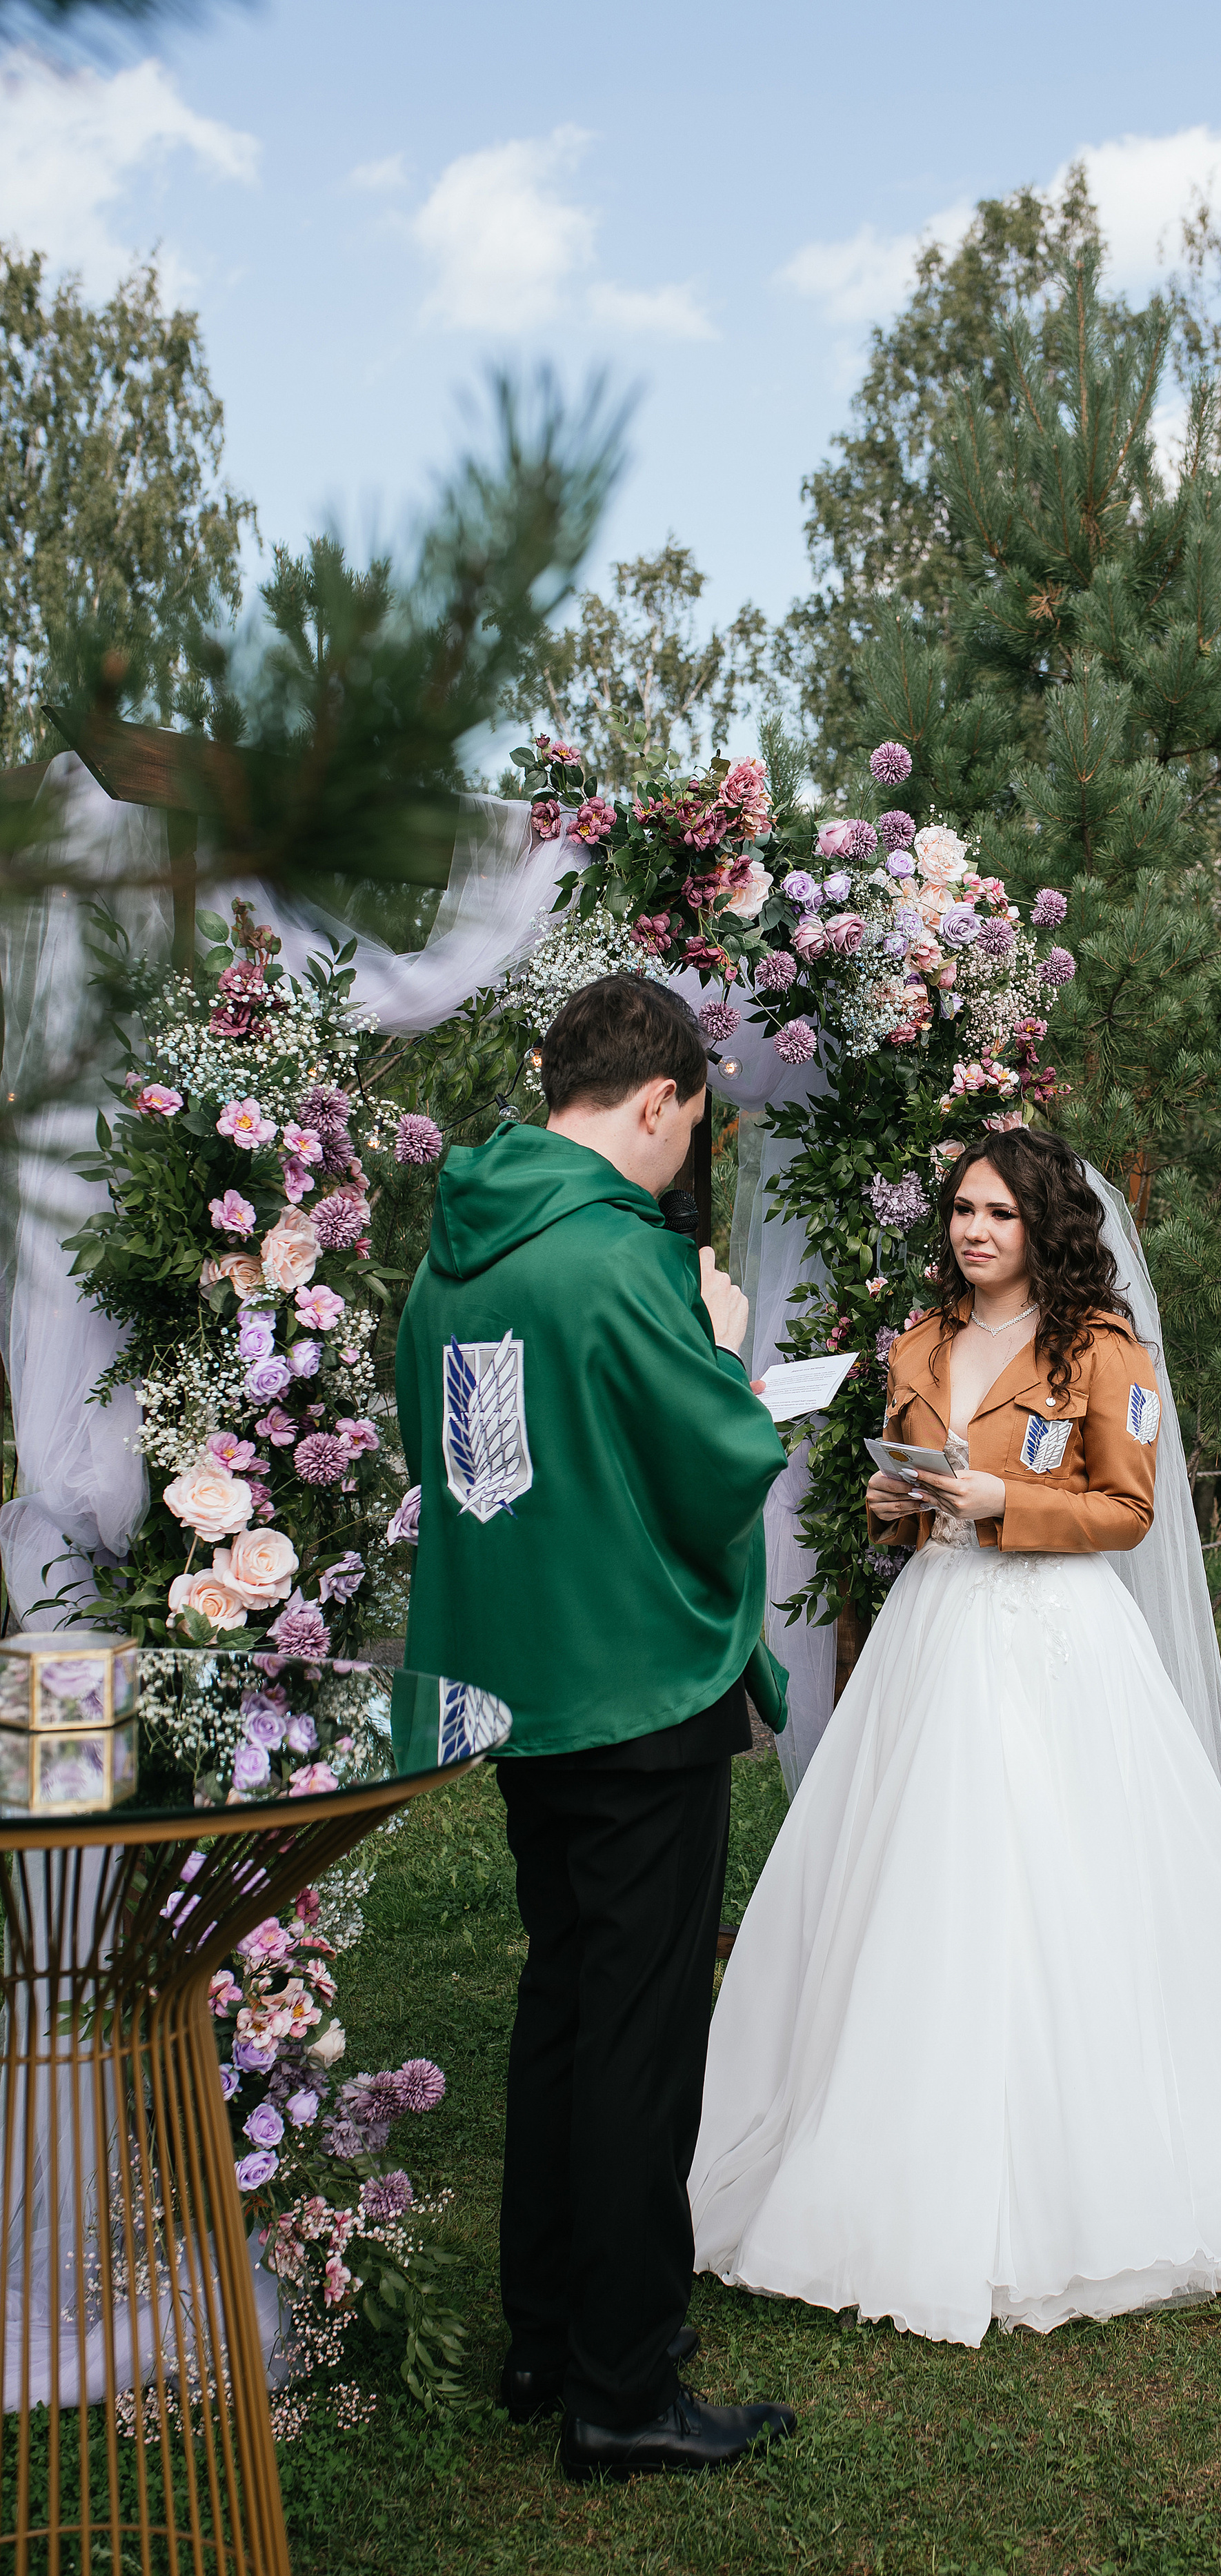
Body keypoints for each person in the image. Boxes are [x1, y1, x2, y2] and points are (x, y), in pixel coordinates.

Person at [688, 1128, 1221, 2344]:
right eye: (962, 1212)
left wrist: (1002, 1503)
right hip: (936, 1630)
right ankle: (880, 2149)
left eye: (998, 1215)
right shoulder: (918, 1344)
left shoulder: (1102, 1351)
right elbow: (911, 1499)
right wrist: (895, 1503)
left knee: (1063, 1879)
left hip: (1056, 1638)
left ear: (1045, 1229)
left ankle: (1091, 2162)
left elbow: (1127, 1510)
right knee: (916, 1879)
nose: (973, 1232)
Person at [395, 975, 797, 2478]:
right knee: (638, 2036)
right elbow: (715, 1460)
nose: (681, 1154)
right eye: (687, 1125)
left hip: (517, 1680)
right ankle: (620, 2391)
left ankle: (550, 2327)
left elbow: (447, 1451)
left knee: (561, 2005)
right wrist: (724, 1342)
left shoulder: (450, 1261)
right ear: (659, 1100)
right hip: (635, 1684)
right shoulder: (625, 1262)